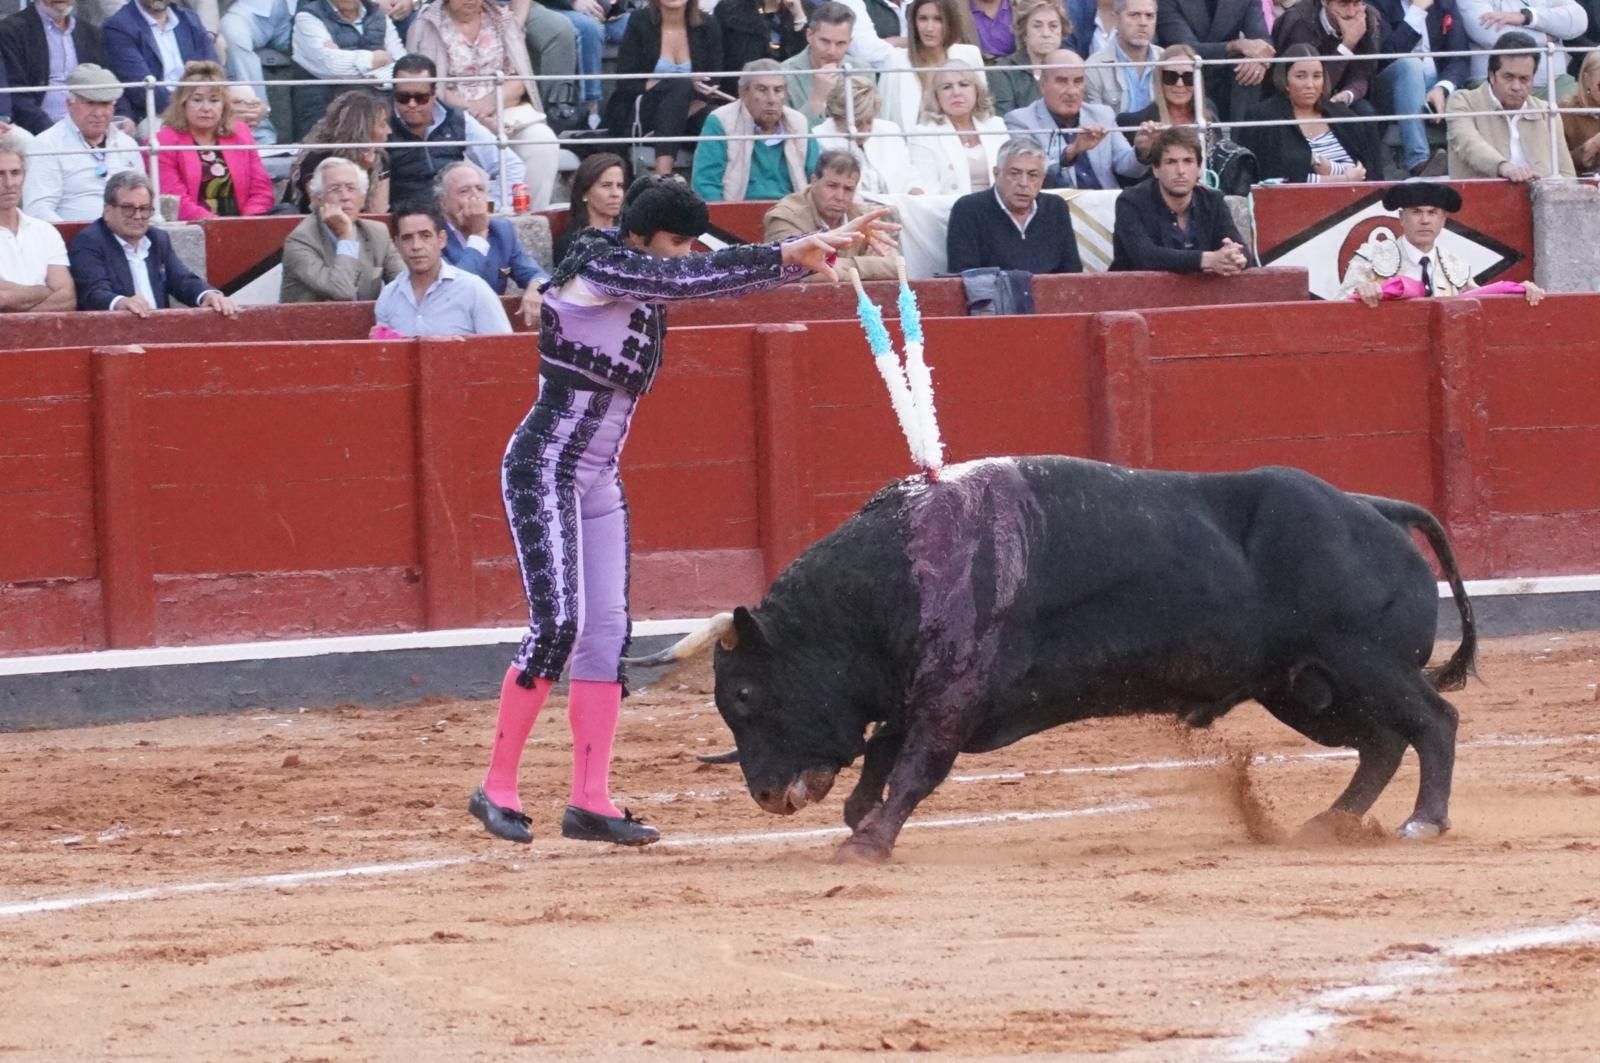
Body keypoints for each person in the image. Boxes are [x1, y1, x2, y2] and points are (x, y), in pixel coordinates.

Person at [466, 174, 894, 848]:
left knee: (607, 632)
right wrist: (790, 251)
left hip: (597, 478)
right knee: (557, 625)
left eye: (692, 241)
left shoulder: (648, 273)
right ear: (640, 236)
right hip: (543, 467)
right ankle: (496, 787)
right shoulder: (603, 267)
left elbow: (705, 277)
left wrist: (804, 256)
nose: (686, 253)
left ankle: (590, 801)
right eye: (676, 241)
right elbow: (689, 279)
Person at [406, 0, 562, 208]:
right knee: (472, 167)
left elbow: (520, 80)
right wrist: (472, 114)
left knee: (542, 141)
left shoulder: (503, 19)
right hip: (453, 118)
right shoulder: (425, 24)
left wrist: (486, 105)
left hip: (504, 110)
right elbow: (424, 87)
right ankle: (487, 218)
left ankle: (530, 217)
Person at [1339, 179, 1545, 304]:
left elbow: (1481, 301)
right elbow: (1339, 306)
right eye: (1416, 212)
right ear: (1401, 218)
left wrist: (1518, 292)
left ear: (1443, 220)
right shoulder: (1372, 257)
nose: (1425, 220)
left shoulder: (1454, 265)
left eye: (1433, 213)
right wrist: (1361, 291)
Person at [69, 170, 239, 317]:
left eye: (144, 209)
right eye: (128, 208)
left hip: (159, 330)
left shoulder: (157, 238)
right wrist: (120, 302)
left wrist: (208, 295)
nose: (137, 216)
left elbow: (183, 280)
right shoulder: (90, 241)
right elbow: (94, 292)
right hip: (114, 333)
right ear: (107, 211)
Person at [387, 54, 531, 207]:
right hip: (404, 214)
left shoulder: (456, 118)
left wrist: (491, 206)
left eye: (420, 97)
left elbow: (510, 165)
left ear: (434, 93)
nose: (412, 104)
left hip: (454, 214)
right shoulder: (382, 121)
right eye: (402, 97)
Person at [602, 0, 724, 178]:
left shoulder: (708, 25)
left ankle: (714, 187)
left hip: (690, 109)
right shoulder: (639, 20)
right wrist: (674, 84)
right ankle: (663, 176)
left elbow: (713, 80)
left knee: (717, 119)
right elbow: (626, 83)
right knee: (681, 84)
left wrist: (691, 96)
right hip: (642, 112)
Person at [1110, 126, 1251, 273]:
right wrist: (1207, 259)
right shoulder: (1131, 202)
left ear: (1199, 168)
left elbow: (1241, 249)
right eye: (1171, 162)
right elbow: (1144, 256)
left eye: (1188, 161)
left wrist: (1236, 257)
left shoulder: (1213, 200)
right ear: (1156, 169)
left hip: (1201, 288)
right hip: (1135, 287)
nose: (1181, 171)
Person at [1235, 44, 1380, 182]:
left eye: (1317, 76)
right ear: (1285, 80)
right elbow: (1277, 176)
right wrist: (1343, 178)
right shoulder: (1264, 117)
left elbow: (1362, 172)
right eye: (1300, 76)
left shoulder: (1343, 116)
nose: (1310, 85)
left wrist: (1325, 167)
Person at [1003, 48, 1145, 188]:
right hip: (1057, 200)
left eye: (1078, 81)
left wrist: (1141, 150)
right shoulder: (1020, 120)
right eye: (1062, 81)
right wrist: (1072, 151)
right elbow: (1030, 170)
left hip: (1104, 198)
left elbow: (1128, 168)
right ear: (1042, 85)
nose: (1072, 91)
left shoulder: (1102, 115)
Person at [1446, 31, 1577, 180]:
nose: (1516, 86)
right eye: (1508, 77)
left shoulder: (1546, 112)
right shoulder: (1462, 102)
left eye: (1524, 79)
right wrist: (1503, 167)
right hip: (1481, 194)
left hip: (1541, 193)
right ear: (1491, 75)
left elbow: (1567, 175)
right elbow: (1468, 144)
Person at [155, 61, 275, 220]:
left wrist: (246, 222)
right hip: (194, 226)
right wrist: (217, 225)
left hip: (244, 222)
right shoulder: (164, 141)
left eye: (214, 100)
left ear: (224, 106)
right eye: (197, 100)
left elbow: (261, 189)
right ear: (182, 104)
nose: (206, 108)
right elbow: (175, 199)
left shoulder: (241, 133)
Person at [21, 64, 141, 223]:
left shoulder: (127, 145)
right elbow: (38, 210)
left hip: (126, 232)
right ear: (69, 104)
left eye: (105, 104)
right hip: (73, 235)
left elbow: (143, 199)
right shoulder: (46, 145)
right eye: (90, 103)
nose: (99, 113)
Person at [435, 160, 548, 327]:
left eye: (480, 189)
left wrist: (537, 287)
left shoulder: (501, 230)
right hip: (449, 325)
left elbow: (536, 274)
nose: (475, 197)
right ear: (443, 203)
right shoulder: (433, 236)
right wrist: (479, 235)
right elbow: (456, 290)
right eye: (464, 191)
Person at [945, 135, 1081, 273]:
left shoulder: (1055, 207)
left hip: (1051, 287)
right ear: (996, 174)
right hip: (991, 288)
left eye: (1033, 175)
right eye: (1014, 173)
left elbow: (1072, 272)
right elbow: (964, 274)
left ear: (1043, 178)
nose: (1023, 183)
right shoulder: (968, 209)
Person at [374, 204, 514, 337]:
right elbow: (385, 350)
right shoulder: (389, 296)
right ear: (397, 244)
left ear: (441, 239)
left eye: (425, 236)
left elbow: (503, 347)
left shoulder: (474, 290)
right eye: (407, 238)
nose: (416, 246)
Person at [692, 59, 820, 202]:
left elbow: (817, 178)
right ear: (743, 93)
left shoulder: (799, 123)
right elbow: (705, 184)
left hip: (791, 210)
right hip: (738, 209)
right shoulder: (721, 121)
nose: (772, 99)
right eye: (762, 90)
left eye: (778, 90)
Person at [280, 157, 405, 303]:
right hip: (315, 317)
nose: (345, 197)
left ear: (362, 198)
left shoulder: (377, 232)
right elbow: (342, 291)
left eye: (351, 188)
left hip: (368, 317)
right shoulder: (300, 241)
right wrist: (346, 237)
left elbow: (406, 284)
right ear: (318, 198)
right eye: (335, 189)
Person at [1370, 0, 1470, 178]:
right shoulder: (1379, 4)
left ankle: (1467, 163)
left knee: (1464, 97)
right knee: (1411, 65)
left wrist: (1442, 88)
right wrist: (1416, 11)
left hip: (1435, 83)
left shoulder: (1444, 4)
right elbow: (1386, 55)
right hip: (1392, 85)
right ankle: (1418, 162)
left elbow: (1459, 57)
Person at [762, 149, 899, 279]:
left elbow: (895, 265)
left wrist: (837, 266)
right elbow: (796, 272)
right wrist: (869, 267)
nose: (840, 196)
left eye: (848, 189)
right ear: (814, 181)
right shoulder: (786, 216)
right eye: (832, 186)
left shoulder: (863, 216)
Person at [289, 0, 406, 140]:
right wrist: (375, 59)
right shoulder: (307, 17)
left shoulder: (378, 15)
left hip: (379, 115)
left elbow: (402, 68)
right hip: (325, 115)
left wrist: (374, 78)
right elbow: (332, 67)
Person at [101, 0, 218, 126]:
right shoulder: (119, 26)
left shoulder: (189, 19)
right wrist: (191, 108)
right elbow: (142, 90)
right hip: (155, 114)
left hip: (202, 106)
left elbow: (214, 70)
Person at [1153, 0, 1274, 122]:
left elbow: (1263, 41)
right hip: (1184, 74)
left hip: (1230, 76)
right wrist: (1234, 46)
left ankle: (1243, 132)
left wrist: (1257, 59)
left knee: (1250, 70)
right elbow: (1184, 48)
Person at [0, 0, 105, 135]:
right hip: (37, 130)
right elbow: (16, 94)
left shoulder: (90, 32)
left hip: (89, 126)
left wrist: (122, 116)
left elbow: (106, 83)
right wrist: (53, 133)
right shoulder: (11, 31)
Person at [879, 0, 983, 132]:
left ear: (951, 22)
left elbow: (982, 109)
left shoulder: (970, 55)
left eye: (938, 19)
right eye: (923, 19)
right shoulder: (895, 61)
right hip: (910, 142)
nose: (929, 28)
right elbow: (884, 117)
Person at [0, 133, 76, 313]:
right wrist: (45, 291)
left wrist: (19, 314)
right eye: (0, 174)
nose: (9, 183)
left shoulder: (46, 231)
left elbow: (67, 298)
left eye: (15, 173)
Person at [908, 60, 1011, 192]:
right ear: (936, 96)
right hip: (948, 204)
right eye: (947, 87)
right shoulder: (923, 133)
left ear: (977, 91)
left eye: (964, 85)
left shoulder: (996, 125)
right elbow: (926, 188)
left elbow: (1010, 176)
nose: (956, 92)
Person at [285, 90, 392, 212]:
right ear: (361, 131)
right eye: (382, 125)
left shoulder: (378, 157)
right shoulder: (317, 158)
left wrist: (367, 172)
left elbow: (377, 213)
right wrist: (361, 170)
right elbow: (325, 211)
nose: (389, 131)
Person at [814, 75, 918, 193]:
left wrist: (914, 190)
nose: (865, 130)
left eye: (869, 121)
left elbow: (908, 178)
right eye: (857, 123)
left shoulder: (890, 130)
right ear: (838, 117)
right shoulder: (819, 138)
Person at [1271, 0, 1381, 112]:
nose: (1351, 13)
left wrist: (1349, 94)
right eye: (1343, 5)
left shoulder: (1368, 18)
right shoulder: (1299, 22)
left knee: (1365, 110)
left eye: (1356, 4)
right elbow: (1309, 85)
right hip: (1299, 101)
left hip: (1342, 95)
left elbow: (1362, 73)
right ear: (1324, 2)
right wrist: (1347, 46)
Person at [1117, 44, 1218, 165]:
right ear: (1159, 80)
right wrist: (1143, 153)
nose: (1180, 84)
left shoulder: (1209, 112)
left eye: (1188, 77)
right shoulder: (1134, 123)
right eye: (1171, 77)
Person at [1457, 0, 1586, 89]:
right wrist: (1544, 37)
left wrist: (1528, 17)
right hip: (1492, 86)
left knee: (1582, 111)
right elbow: (1489, 34)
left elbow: (1579, 20)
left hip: (1554, 82)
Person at [220, 0, 295, 144]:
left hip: (297, 12)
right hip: (248, 9)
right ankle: (259, 130)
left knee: (318, 49)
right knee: (234, 38)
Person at [780, 2, 863, 125]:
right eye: (825, 41)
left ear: (849, 42)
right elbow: (785, 131)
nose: (831, 51)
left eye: (840, 43)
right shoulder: (784, 74)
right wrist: (818, 98)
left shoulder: (862, 70)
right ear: (809, 35)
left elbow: (873, 126)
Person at [986, 0, 1069, 117]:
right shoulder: (1003, 72)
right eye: (1037, 26)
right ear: (1024, 30)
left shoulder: (1072, 67)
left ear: (1062, 30)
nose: (1046, 33)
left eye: (1053, 26)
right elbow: (1005, 119)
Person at [1084, 0, 1162, 116]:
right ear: (1116, 19)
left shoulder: (1167, 62)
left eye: (1149, 16)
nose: (1143, 22)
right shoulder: (1093, 68)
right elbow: (1096, 120)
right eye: (1134, 15)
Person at [553, 150, 626, 261]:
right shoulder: (571, 244)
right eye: (606, 185)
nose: (615, 194)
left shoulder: (632, 237)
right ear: (584, 193)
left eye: (619, 186)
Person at [721, 0, 811, 76]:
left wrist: (799, 17)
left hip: (789, 84)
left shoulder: (805, 10)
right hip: (743, 82)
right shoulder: (730, 10)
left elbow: (805, 59)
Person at [1560, 48, 1600, 175]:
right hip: (1580, 184)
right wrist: (1593, 146)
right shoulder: (1565, 113)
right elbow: (1556, 164)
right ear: (1587, 80)